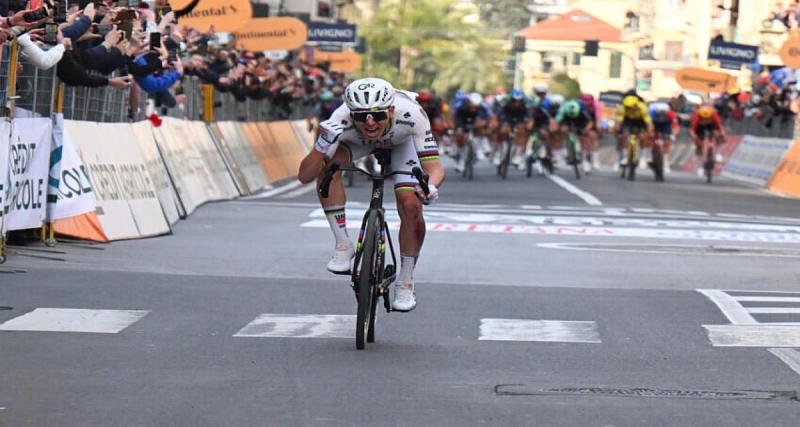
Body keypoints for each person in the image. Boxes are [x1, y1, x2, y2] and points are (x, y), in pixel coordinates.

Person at [297, 78, 445, 312]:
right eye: (361, 116)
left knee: (410, 205)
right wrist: (321, 145)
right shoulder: (339, 118)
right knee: (327, 169)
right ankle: (343, 244)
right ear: (351, 114)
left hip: (401, 143)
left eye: (377, 115)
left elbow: (434, 168)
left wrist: (431, 187)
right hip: (359, 143)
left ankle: (405, 281)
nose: (370, 122)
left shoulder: (412, 114)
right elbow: (305, 175)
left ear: (391, 110)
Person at [452, 92, 491, 172]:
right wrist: (459, 128)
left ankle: (482, 148)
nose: (473, 108)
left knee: (481, 129)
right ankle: (459, 157)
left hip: (475, 123)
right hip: (463, 122)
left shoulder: (483, 108)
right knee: (460, 134)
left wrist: (482, 125)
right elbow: (456, 119)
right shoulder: (461, 107)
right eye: (472, 106)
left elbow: (485, 120)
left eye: (476, 106)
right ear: (468, 102)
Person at [614, 94, 654, 169]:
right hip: (628, 120)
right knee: (625, 135)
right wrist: (617, 130)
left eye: (630, 107)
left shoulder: (643, 108)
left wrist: (649, 133)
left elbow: (649, 123)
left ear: (636, 105)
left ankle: (642, 157)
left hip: (640, 121)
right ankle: (625, 156)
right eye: (627, 107)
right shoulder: (622, 109)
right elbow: (618, 122)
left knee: (643, 137)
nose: (628, 109)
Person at [689, 104, 727, 175]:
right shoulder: (696, 116)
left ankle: (718, 153)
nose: (705, 120)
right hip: (699, 127)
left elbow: (720, 126)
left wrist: (722, 134)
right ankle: (700, 166)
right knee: (699, 144)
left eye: (707, 118)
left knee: (720, 136)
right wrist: (695, 138)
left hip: (711, 126)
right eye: (703, 118)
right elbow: (692, 131)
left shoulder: (714, 114)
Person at [649, 101, 679, 173]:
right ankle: (654, 156)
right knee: (653, 141)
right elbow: (650, 125)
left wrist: (673, 135)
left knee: (667, 142)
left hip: (666, 127)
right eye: (660, 113)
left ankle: (665, 162)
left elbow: (676, 126)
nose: (661, 115)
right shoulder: (652, 113)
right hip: (655, 126)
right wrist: (650, 133)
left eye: (663, 113)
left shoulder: (672, 115)